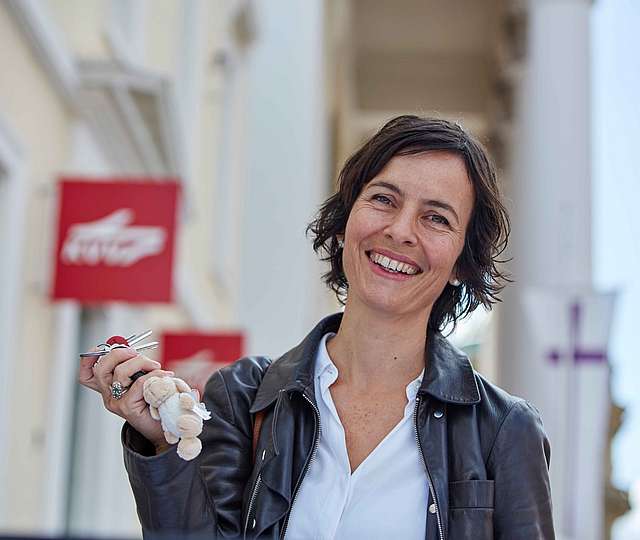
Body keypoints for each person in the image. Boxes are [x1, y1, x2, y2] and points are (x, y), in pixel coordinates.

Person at [79, 115, 555, 539]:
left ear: (460, 261)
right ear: (346, 222)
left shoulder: (503, 430)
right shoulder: (245, 394)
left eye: (436, 217)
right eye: (384, 200)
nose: (401, 230)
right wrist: (163, 443)